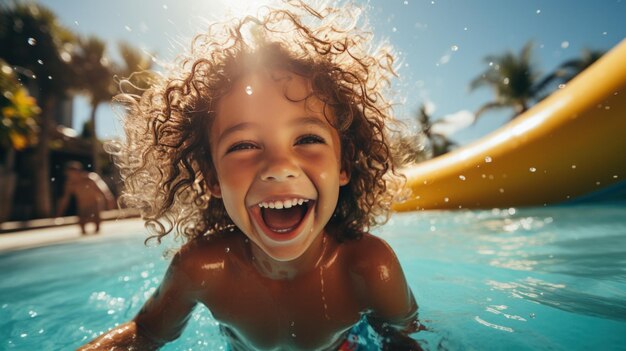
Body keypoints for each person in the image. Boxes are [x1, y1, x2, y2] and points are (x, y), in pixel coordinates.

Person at [79, 2, 422, 350]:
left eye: (307, 139)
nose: (278, 166)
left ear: (343, 166)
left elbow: (407, 339)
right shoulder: (203, 268)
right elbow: (146, 332)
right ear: (212, 178)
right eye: (243, 145)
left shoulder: (368, 267)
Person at [56, 161, 115, 235]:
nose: (71, 176)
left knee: (97, 228)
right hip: (82, 207)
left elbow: (104, 192)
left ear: (78, 172)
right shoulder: (70, 184)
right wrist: (59, 214)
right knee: (82, 227)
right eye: (69, 175)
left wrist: (109, 202)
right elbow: (65, 199)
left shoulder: (91, 178)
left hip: (95, 205)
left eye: (72, 174)